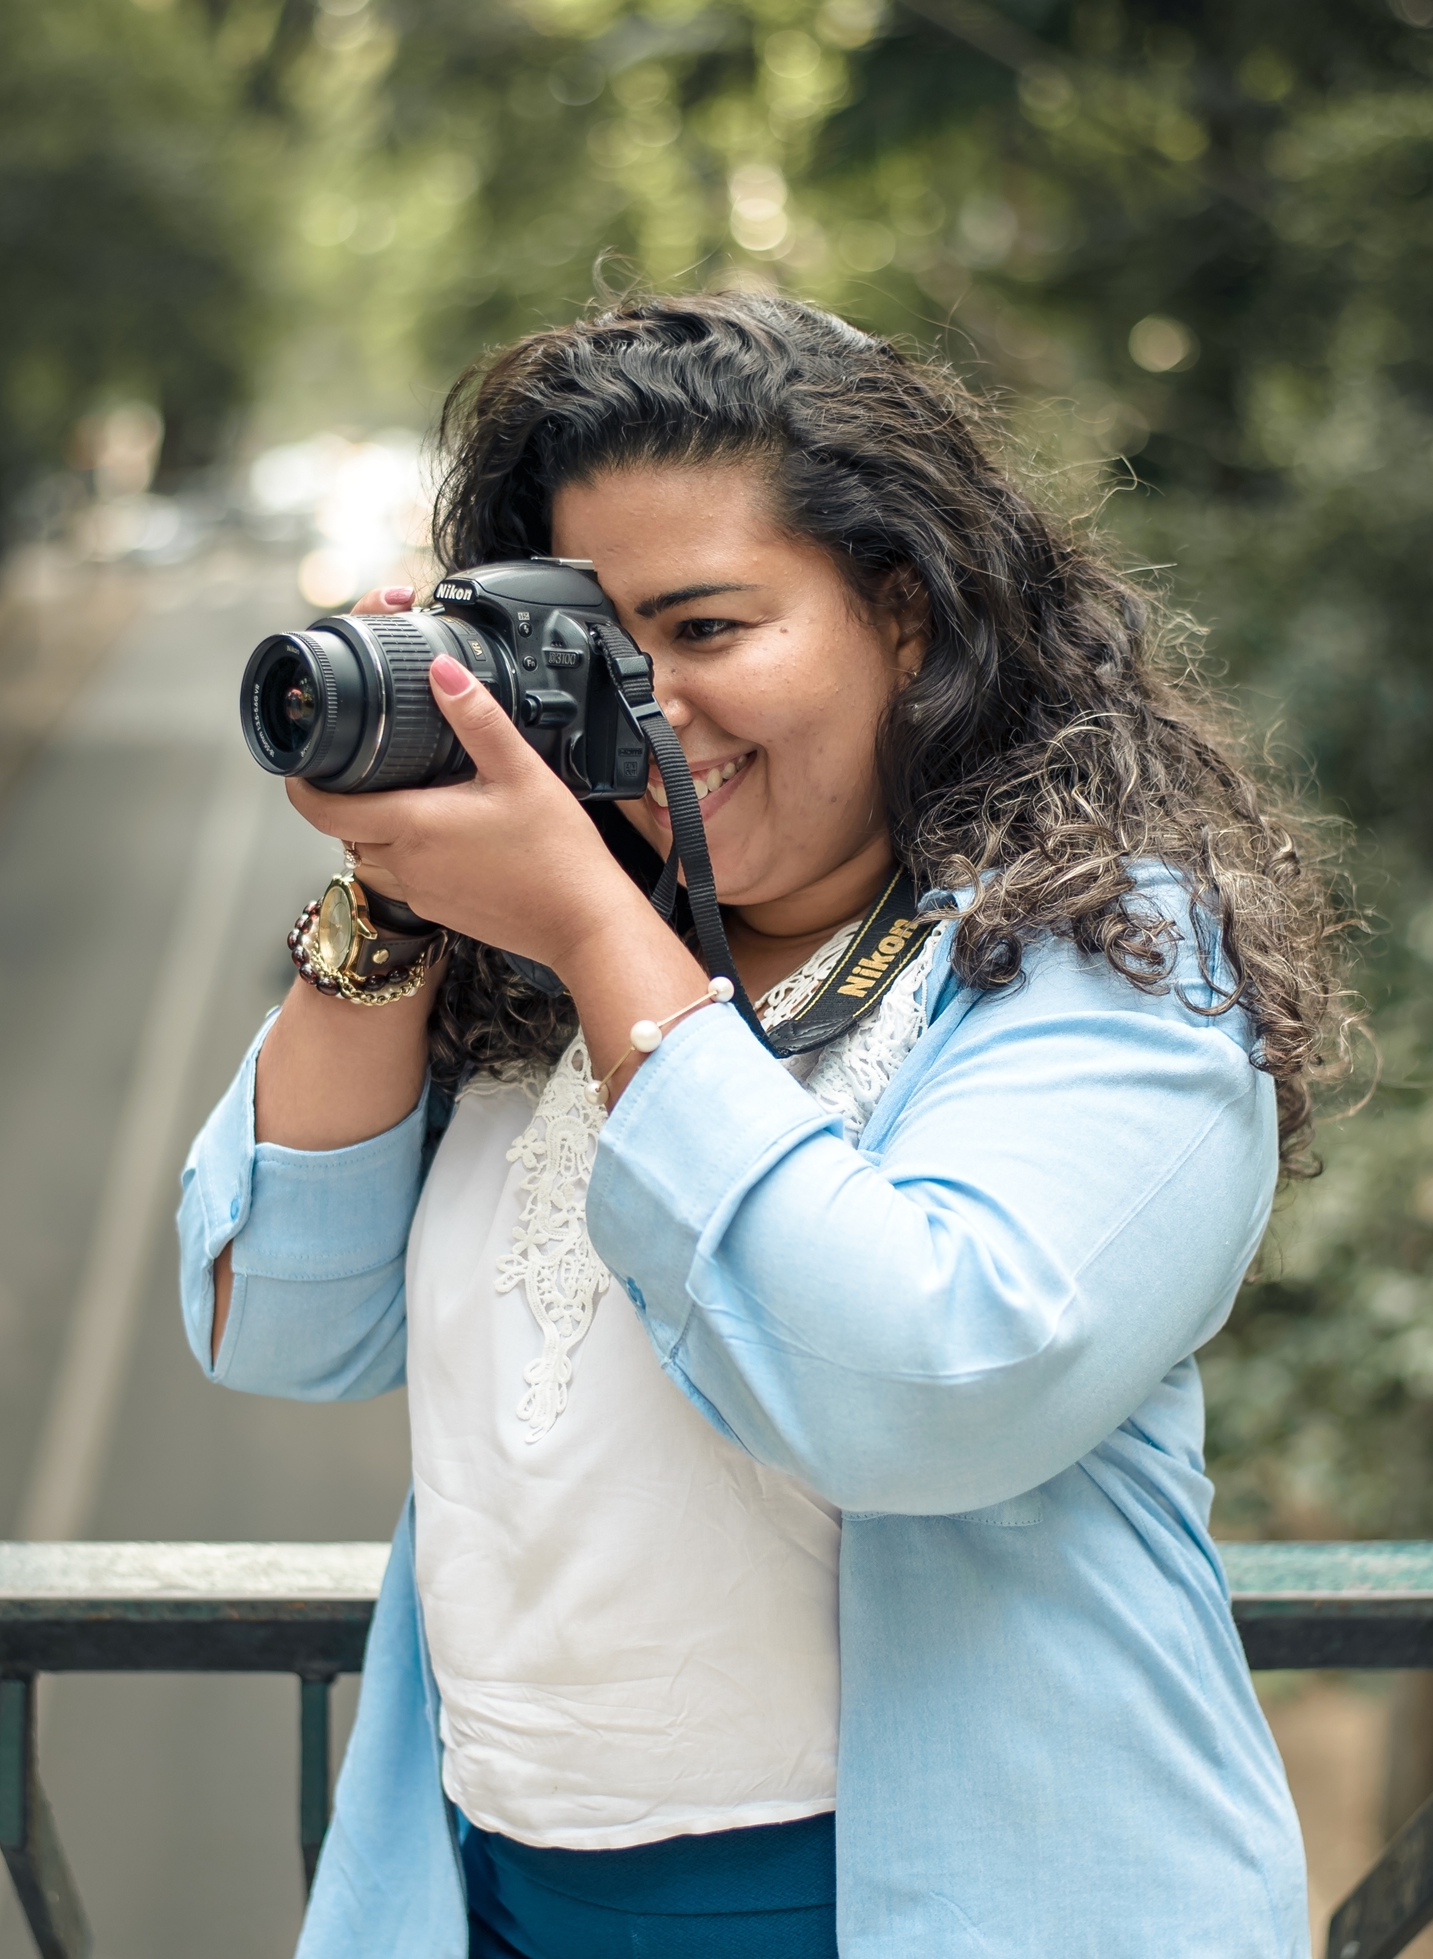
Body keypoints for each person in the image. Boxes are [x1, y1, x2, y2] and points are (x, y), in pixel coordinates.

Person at [177, 291, 1347, 1959]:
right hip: (488, 1900)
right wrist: (392, 909)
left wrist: (596, 934)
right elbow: (268, 1321)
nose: (652, 711)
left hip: (930, 1908)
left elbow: (926, 1387)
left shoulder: (1110, 957)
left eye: (712, 628)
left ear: (908, 618)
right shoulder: (537, 967)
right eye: (600, 648)